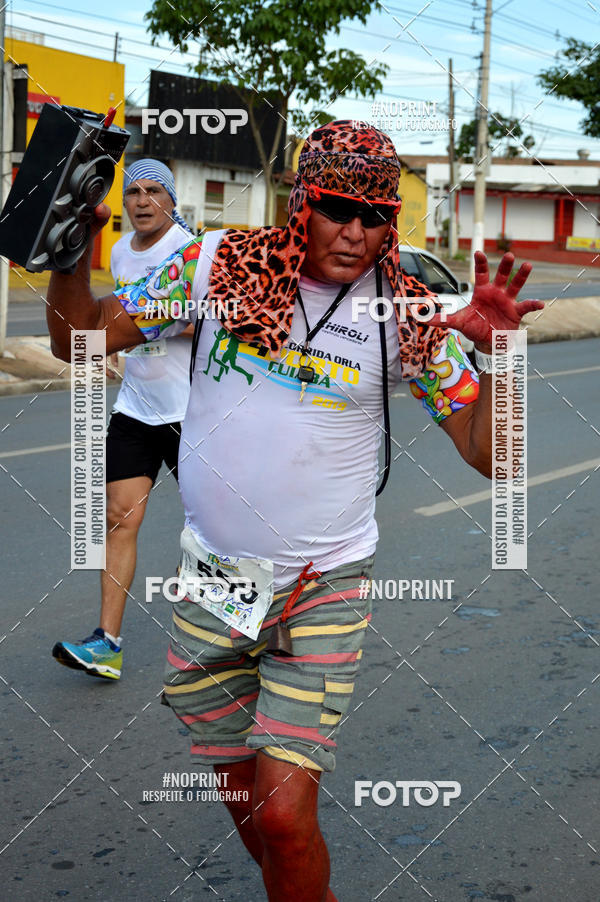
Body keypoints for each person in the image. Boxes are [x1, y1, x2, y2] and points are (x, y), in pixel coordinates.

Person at [47, 122, 542, 901]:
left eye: (375, 215)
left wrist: (504, 358)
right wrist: (70, 252)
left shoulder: (405, 312)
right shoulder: (215, 266)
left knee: (281, 814)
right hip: (215, 579)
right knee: (252, 805)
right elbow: (79, 339)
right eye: (338, 207)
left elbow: (494, 456)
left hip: (324, 582)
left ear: (392, 223)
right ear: (302, 200)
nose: (355, 231)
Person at [52, 160, 193, 681]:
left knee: (217, 531)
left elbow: (209, 321)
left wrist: (149, 324)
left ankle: (255, 633)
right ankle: (106, 643)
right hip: (137, 407)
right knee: (119, 519)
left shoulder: (190, 251)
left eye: (152, 191)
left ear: (171, 200)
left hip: (193, 411)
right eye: (132, 191)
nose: (139, 201)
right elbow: (111, 320)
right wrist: (118, 344)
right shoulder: (116, 252)